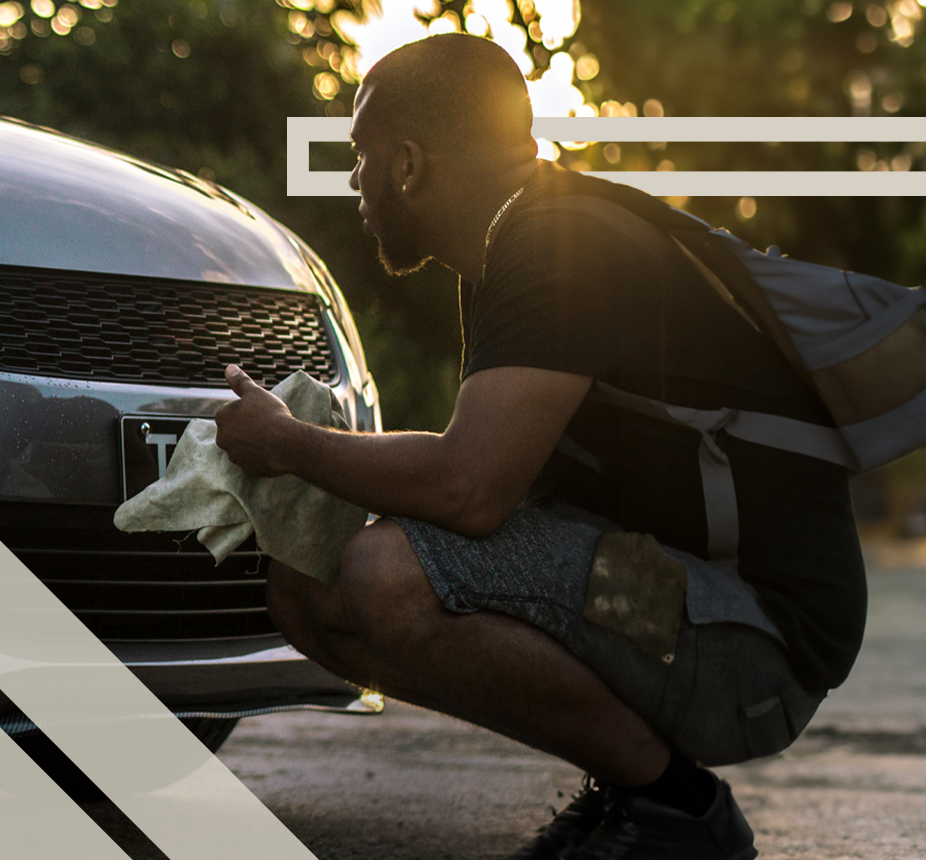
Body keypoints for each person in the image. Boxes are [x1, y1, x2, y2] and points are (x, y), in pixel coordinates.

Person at [213, 32, 866, 860]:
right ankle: (635, 791)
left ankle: (676, 809)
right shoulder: (509, 249)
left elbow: (469, 489)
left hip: (758, 642)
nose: (355, 181)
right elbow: (490, 474)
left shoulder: (560, 244)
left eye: (359, 154)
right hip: (686, 600)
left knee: (385, 574)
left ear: (409, 164)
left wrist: (289, 445)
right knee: (305, 591)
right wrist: (305, 464)